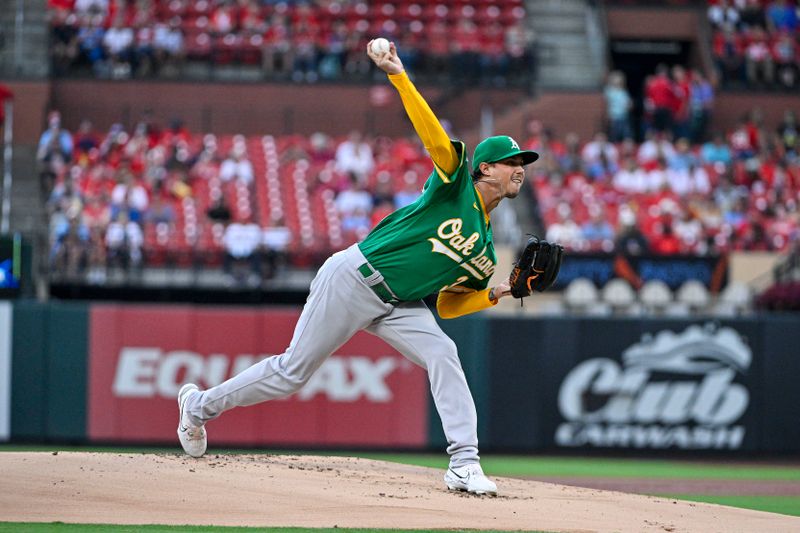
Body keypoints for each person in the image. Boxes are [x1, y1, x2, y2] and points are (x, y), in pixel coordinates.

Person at [176, 40, 544, 496]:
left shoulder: (486, 249)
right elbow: (431, 135)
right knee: (293, 372)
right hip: (355, 277)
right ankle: (197, 407)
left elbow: (448, 306)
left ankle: (464, 463)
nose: (520, 169)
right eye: (512, 162)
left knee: (444, 354)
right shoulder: (455, 186)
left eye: (523, 163)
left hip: (400, 303)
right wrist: (398, 76)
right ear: (485, 168)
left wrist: (497, 293)